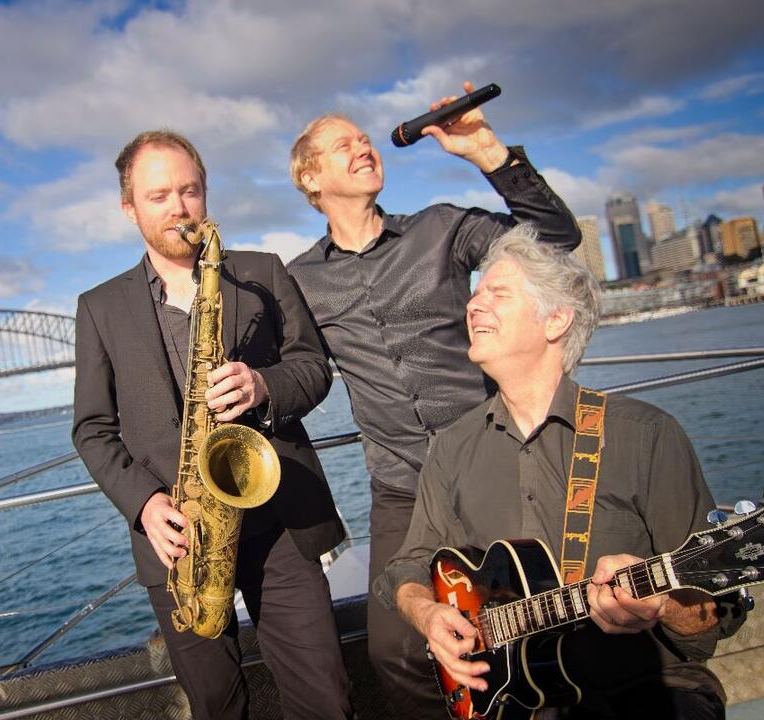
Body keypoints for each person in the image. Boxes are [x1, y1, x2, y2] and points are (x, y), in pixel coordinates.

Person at [286, 81, 581, 717]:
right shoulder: (298, 282)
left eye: (365, 139)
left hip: (492, 463)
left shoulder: (442, 228)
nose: (364, 146)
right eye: (344, 145)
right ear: (310, 179)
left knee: (528, 624)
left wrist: (487, 151)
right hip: (400, 492)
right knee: (393, 651)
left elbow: (557, 240)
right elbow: (292, 368)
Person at [380, 224, 732, 718]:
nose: (473, 305)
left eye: (496, 293)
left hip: (647, 688)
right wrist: (428, 613)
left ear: (556, 321)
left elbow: (708, 620)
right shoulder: (451, 449)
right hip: (512, 700)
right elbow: (409, 563)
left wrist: (663, 606)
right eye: (475, 293)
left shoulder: (646, 435)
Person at [72, 129, 353, 720]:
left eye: (189, 190)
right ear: (129, 208)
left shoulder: (261, 272)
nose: (178, 208)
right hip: (179, 539)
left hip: (280, 520)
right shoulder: (99, 308)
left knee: (325, 698)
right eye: (158, 196)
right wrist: (146, 504)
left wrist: (263, 384)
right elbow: (93, 429)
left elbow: (314, 368)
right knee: (217, 707)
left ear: (205, 194)